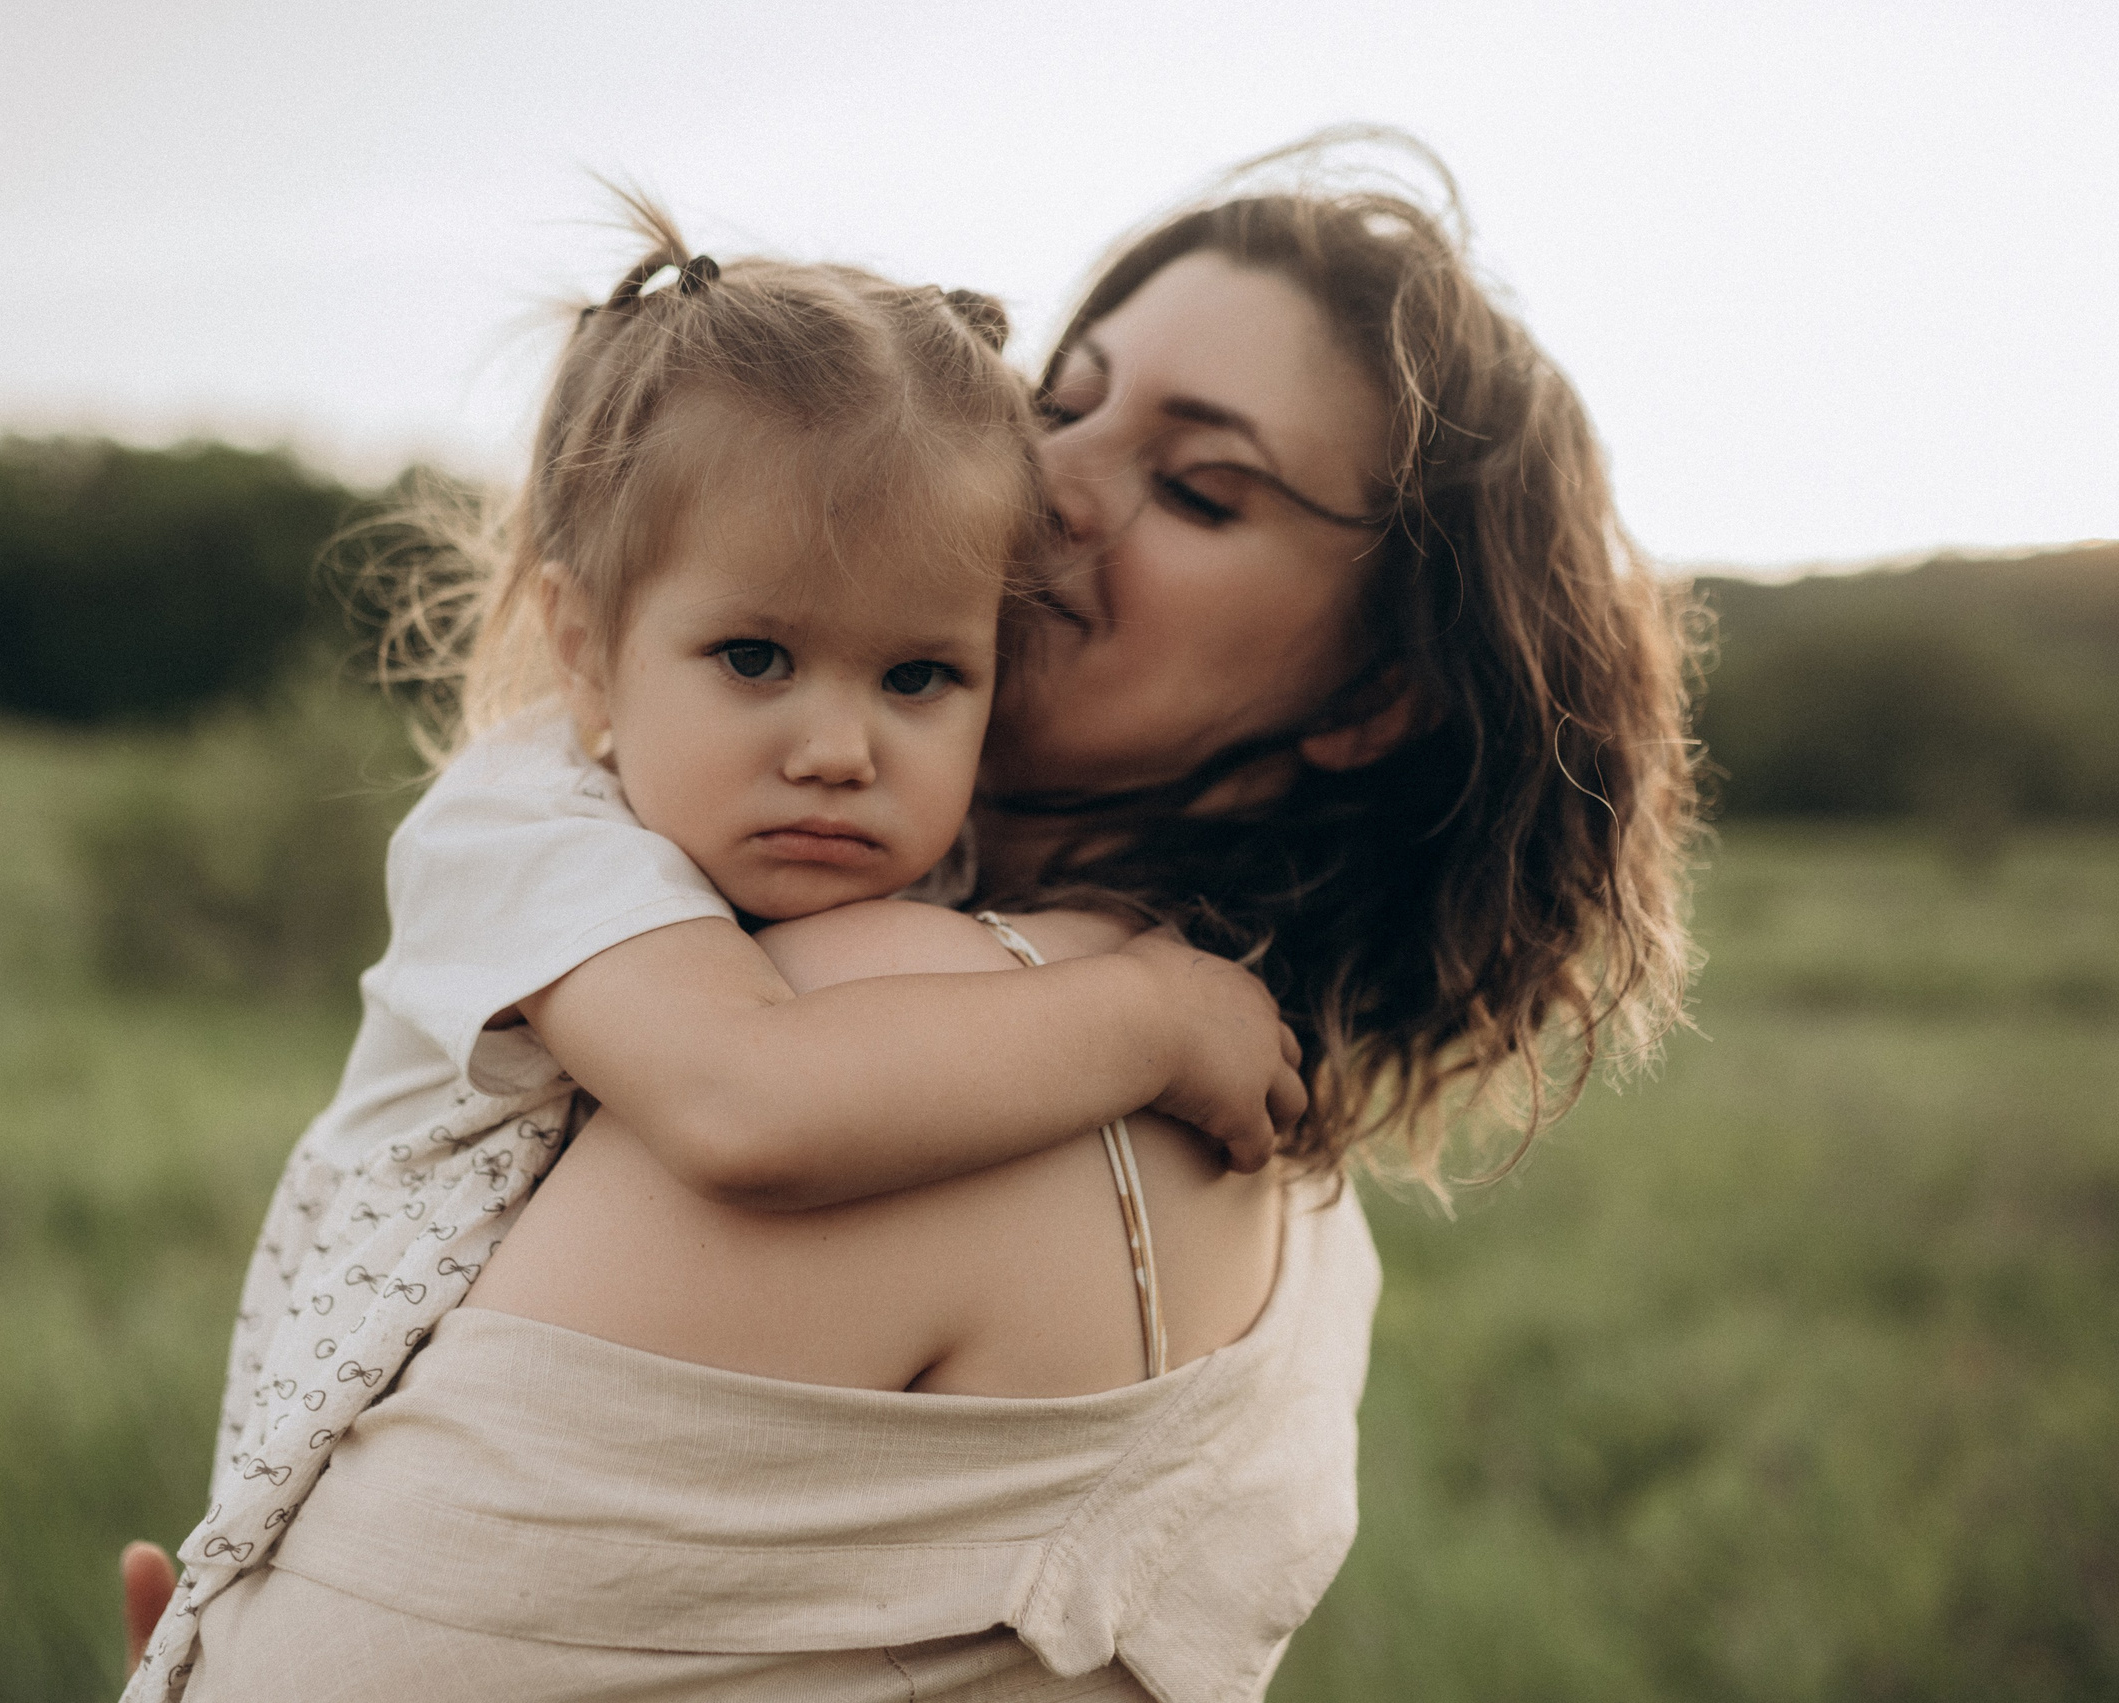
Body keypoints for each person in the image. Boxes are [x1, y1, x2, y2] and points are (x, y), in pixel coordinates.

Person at [131, 134, 1705, 1699]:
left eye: (1200, 488)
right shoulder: (1250, 1160)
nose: (1057, 490)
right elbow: (743, 1103)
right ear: (592, 643)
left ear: (1379, 697)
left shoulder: (904, 987)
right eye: (1064, 404)